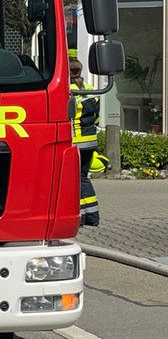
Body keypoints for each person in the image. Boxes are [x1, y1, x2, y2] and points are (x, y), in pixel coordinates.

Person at [70, 58, 101, 226]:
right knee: (83, 177)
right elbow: (96, 118)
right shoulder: (90, 89)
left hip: (74, 141)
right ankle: (93, 216)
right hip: (90, 141)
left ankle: (80, 218)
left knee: (73, 180)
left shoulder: (67, 91)